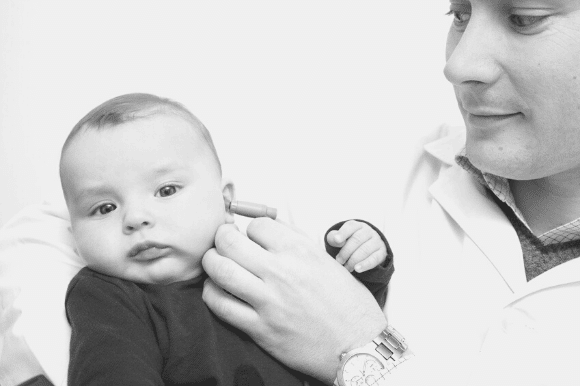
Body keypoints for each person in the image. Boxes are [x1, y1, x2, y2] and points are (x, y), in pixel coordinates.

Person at [200, 1, 580, 385]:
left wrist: (363, 350)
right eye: (460, 14)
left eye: (524, 19)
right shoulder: (348, 179)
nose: (458, 65)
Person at [60, 93, 394, 385]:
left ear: (226, 201)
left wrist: (359, 257)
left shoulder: (260, 258)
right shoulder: (107, 296)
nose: (135, 218)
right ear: (75, 235)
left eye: (166, 190)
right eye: (104, 208)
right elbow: (111, 371)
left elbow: (345, 315)